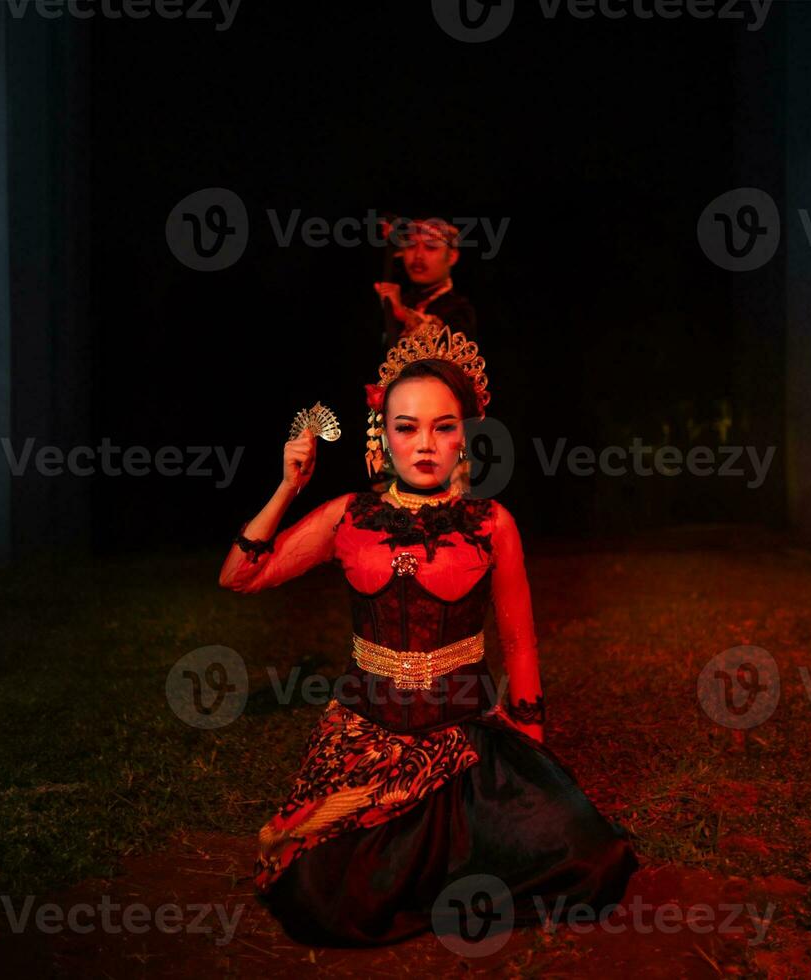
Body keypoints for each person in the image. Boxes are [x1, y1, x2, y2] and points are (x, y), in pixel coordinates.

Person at [218, 327, 636, 946]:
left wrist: (534, 757)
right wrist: (289, 486)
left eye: (443, 427)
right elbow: (240, 575)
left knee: (590, 861)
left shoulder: (492, 523)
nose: (424, 444)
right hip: (367, 738)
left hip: (466, 739)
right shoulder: (347, 516)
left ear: (466, 433)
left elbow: (520, 645)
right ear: (380, 432)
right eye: (406, 426)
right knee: (324, 901)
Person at [373, 217, 478, 348]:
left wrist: (404, 315)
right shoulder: (401, 300)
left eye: (430, 247)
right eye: (411, 245)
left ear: (451, 256)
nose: (418, 255)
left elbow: (447, 343)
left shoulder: (461, 310)